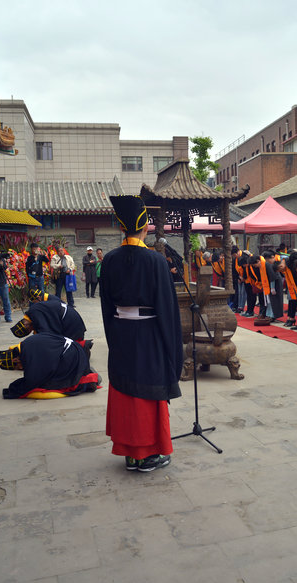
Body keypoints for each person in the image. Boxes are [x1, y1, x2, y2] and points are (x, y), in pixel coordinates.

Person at [100, 195, 183, 473]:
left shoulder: (109, 260)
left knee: (125, 392)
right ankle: (147, 455)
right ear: (145, 227)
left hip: (121, 332)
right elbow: (167, 309)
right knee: (147, 393)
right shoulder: (156, 261)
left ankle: (130, 454)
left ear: (121, 227)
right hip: (149, 334)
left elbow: (105, 306)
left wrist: (114, 338)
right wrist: (172, 349)